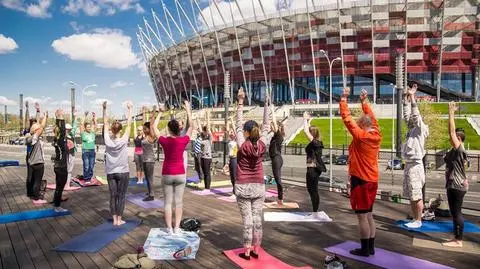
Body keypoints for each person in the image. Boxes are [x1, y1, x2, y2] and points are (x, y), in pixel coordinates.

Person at [340, 88, 382, 257]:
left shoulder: (361, 136)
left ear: (363, 126)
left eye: (359, 125)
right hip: (373, 179)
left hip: (361, 179)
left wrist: (343, 99)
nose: (357, 126)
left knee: (362, 217)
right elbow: (372, 117)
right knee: (369, 214)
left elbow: (348, 120)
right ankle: (370, 247)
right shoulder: (376, 132)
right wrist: (364, 102)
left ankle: (364, 249)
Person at [235, 87, 270, 260]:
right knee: (257, 218)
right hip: (258, 185)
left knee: (247, 220)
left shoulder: (243, 145)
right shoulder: (262, 144)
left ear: (247, 132)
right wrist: (266, 104)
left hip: (242, 185)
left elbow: (237, 125)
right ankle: (256, 248)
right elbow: (267, 126)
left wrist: (240, 102)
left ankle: (247, 251)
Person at [153, 100, 193, 234]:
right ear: (178, 129)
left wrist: (160, 112)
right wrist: (187, 109)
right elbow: (191, 126)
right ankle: (177, 228)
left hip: (167, 174)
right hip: (180, 174)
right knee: (179, 202)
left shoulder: (164, 141)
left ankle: (169, 229)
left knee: (168, 203)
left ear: (169, 129)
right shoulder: (183, 140)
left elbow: (154, 127)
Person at [402, 84, 429, 229]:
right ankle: (414, 218)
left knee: (417, 194)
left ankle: (419, 220)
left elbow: (415, 115)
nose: (411, 120)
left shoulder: (420, 129)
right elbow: (407, 116)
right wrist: (405, 99)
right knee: (410, 193)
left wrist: (412, 96)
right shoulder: (412, 129)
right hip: (409, 163)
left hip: (416, 165)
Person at [442, 101, 469, 248]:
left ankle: (459, 240)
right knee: (454, 212)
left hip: (457, 185)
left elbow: (451, 132)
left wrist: (451, 112)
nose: (450, 139)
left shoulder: (460, 150)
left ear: (459, 139)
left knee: (457, 212)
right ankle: (456, 237)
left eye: (454, 138)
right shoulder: (455, 151)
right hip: (453, 184)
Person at [103, 101, 132, 226]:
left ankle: (114, 219)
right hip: (123, 172)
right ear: (120, 129)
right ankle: (120, 219)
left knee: (112, 196)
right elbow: (129, 123)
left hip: (111, 172)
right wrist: (130, 109)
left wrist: (104, 109)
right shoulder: (124, 139)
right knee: (121, 196)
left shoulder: (107, 140)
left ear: (111, 130)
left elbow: (105, 123)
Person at [303, 111, 326, 216]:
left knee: (313, 190)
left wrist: (304, 119)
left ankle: (315, 211)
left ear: (313, 134)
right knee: (310, 189)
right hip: (311, 168)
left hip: (313, 168)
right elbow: (308, 131)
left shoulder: (316, 143)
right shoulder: (315, 143)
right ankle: (314, 210)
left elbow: (305, 131)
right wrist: (308, 120)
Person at [26, 108, 48, 204]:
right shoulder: (34, 138)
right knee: (37, 181)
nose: (41, 130)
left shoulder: (29, 137)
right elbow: (41, 127)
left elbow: (40, 127)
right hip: (38, 162)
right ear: (35, 130)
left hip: (31, 162)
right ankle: (36, 198)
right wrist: (44, 117)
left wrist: (45, 116)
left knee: (32, 179)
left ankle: (31, 193)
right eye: (38, 129)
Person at [268, 102, 286, 205]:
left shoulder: (278, 135)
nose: (271, 126)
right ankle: (280, 197)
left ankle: (280, 198)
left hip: (276, 158)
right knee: (277, 178)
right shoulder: (276, 136)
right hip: (276, 158)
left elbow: (275, 123)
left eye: (272, 126)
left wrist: (272, 110)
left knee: (278, 178)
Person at [52, 109, 69, 212]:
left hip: (58, 166)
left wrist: (58, 117)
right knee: (59, 187)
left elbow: (60, 131)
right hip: (61, 167)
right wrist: (60, 118)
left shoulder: (55, 139)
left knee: (59, 186)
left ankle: (56, 201)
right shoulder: (60, 141)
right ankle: (57, 206)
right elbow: (62, 130)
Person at [142, 106, 159, 201]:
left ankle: (151, 195)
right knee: (147, 177)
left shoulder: (151, 136)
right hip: (145, 159)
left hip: (149, 160)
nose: (144, 130)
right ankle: (149, 191)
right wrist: (144, 113)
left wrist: (153, 112)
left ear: (149, 129)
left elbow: (152, 124)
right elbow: (145, 123)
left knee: (149, 178)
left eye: (145, 129)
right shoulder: (146, 136)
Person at [80, 112, 97, 182]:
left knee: (91, 166)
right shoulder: (83, 133)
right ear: (85, 128)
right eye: (88, 127)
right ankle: (86, 178)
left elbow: (95, 125)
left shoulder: (93, 133)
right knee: (86, 166)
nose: (89, 128)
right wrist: (84, 115)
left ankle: (89, 178)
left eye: (90, 127)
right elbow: (81, 124)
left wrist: (94, 117)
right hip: (85, 151)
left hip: (92, 151)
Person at [198, 111, 213, 189]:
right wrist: (197, 119)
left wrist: (207, 116)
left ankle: (208, 188)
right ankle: (206, 187)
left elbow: (208, 127)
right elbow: (200, 128)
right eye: (204, 131)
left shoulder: (209, 138)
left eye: (206, 131)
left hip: (207, 158)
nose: (204, 132)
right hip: (202, 157)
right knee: (204, 172)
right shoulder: (202, 137)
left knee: (207, 173)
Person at [65, 113, 79, 190]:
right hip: (66, 154)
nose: (69, 130)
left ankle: (68, 182)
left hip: (72, 153)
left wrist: (75, 117)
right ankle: (66, 182)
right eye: (68, 129)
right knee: (66, 168)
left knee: (70, 169)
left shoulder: (71, 134)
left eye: (69, 129)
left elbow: (75, 127)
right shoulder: (63, 136)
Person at [133, 107, 145, 184]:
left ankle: (142, 179)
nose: (139, 131)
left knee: (142, 167)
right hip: (136, 153)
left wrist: (144, 114)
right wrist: (134, 121)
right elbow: (134, 128)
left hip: (143, 152)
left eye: (140, 130)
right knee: (138, 166)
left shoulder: (144, 136)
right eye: (138, 130)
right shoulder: (135, 136)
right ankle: (138, 179)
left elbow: (144, 125)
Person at [227, 117, 238, 196]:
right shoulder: (230, 140)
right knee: (231, 176)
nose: (231, 133)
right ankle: (234, 190)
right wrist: (228, 121)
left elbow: (235, 130)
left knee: (234, 176)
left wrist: (231, 120)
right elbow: (228, 131)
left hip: (235, 159)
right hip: (231, 159)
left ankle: (235, 192)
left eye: (232, 132)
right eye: (230, 133)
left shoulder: (237, 140)